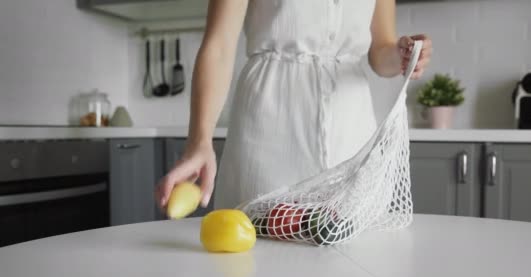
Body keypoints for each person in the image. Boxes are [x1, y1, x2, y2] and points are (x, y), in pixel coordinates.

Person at [156, 0, 432, 211]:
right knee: (258, 260)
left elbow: (380, 52)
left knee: (356, 264)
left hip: (352, 130)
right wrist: (199, 141)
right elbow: (219, 45)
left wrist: (401, 56)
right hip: (269, 124)